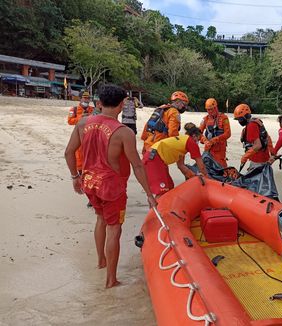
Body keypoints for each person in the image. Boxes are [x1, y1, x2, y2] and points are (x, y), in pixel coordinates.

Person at [64, 84, 157, 289]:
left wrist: (74, 177)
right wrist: (149, 194)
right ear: (123, 104)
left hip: (89, 182)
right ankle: (111, 280)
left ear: (99, 102)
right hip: (111, 187)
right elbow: (137, 165)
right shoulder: (124, 132)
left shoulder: (83, 123)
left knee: (100, 220)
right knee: (114, 229)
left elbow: (69, 152)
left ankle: (101, 261)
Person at [143, 122, 208, 198]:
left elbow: (181, 165)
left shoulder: (182, 141)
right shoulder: (191, 142)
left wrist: (193, 176)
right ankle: (156, 208)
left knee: (170, 187)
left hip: (155, 158)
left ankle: (164, 207)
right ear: (194, 136)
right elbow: (201, 166)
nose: (198, 142)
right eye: (198, 139)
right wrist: (207, 178)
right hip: (154, 159)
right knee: (162, 191)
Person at [233, 104, 273, 170]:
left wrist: (245, 156)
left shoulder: (251, 126)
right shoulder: (256, 122)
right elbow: (267, 138)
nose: (239, 122)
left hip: (258, 161)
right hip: (263, 159)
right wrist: (272, 153)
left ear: (245, 117)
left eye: (239, 119)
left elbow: (258, 145)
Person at [199, 98, 231, 167]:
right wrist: (204, 140)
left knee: (221, 167)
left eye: (211, 109)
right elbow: (198, 133)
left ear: (216, 107)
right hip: (208, 147)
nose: (210, 111)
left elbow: (228, 133)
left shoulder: (224, 118)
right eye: (208, 109)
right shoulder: (205, 119)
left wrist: (215, 139)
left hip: (219, 149)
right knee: (206, 167)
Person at [67, 91, 94, 173]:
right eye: (85, 98)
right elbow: (70, 121)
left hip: (91, 135)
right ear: (80, 98)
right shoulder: (74, 109)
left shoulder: (92, 110)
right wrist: (80, 118)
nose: (87, 100)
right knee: (79, 155)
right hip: (79, 135)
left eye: (88, 98)